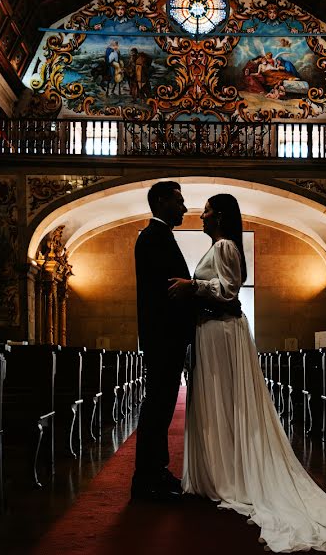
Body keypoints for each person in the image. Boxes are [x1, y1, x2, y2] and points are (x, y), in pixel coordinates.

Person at [169, 194, 326, 552]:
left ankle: (229, 474)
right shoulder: (218, 246)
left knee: (226, 401)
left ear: (221, 215)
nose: (203, 214)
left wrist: (191, 286)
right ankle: (219, 469)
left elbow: (227, 291)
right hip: (212, 333)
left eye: (208, 210)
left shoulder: (226, 246)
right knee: (217, 404)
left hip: (222, 332)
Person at [131, 181, 196, 501]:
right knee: (157, 408)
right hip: (163, 338)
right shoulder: (153, 237)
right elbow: (167, 293)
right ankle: (146, 480)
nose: (184, 208)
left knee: (161, 408)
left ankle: (156, 471)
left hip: (165, 337)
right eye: (178, 201)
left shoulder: (160, 236)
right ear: (160, 201)